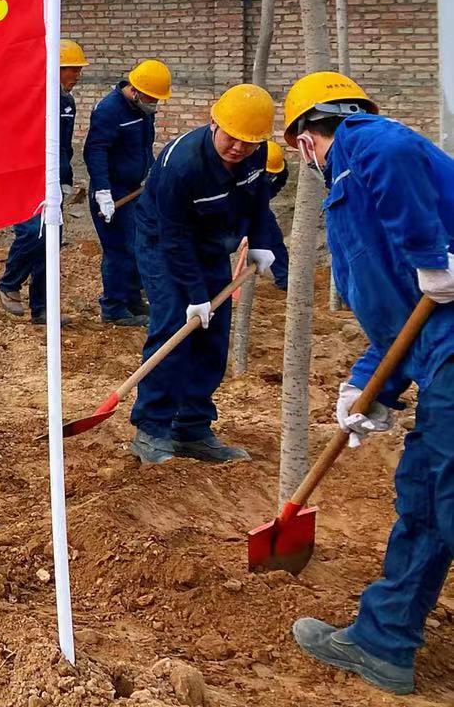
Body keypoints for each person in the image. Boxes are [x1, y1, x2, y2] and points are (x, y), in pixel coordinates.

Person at [278, 73, 454, 696]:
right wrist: (364, 389)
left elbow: (393, 146)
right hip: (438, 354)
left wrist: (430, 256)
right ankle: (383, 643)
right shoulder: (357, 192)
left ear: (305, 140)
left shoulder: (361, 142)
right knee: (426, 499)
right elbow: (400, 319)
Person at [128, 84, 284, 465]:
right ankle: (151, 428)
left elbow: (258, 201)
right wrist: (196, 296)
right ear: (214, 122)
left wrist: (262, 241)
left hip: (212, 241)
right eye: (232, 137)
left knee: (213, 334)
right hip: (164, 241)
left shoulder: (257, 153)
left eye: (249, 142)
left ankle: (191, 427)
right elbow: (174, 238)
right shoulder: (182, 165)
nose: (239, 148)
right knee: (173, 326)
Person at [0, 38, 85, 324]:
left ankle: (43, 308)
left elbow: (64, 145)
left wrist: (65, 178)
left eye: (78, 69)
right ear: (55, 69)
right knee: (32, 232)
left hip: (52, 179)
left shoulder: (66, 102)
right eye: (72, 69)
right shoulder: (31, 99)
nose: (77, 75)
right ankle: (9, 283)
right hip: (24, 178)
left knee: (52, 240)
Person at [83, 59, 172, 327]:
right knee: (118, 250)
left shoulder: (142, 109)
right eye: (151, 98)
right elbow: (95, 151)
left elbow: (143, 147)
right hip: (113, 193)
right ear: (135, 91)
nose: (154, 103)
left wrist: (152, 171)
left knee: (138, 245)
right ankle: (113, 308)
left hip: (135, 189)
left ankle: (133, 300)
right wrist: (103, 191)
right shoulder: (109, 111)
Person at [262, 140, 290, 290]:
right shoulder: (242, 168)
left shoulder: (280, 169)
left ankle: (284, 280)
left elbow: (279, 183)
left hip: (259, 206)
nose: (270, 174)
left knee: (274, 239)